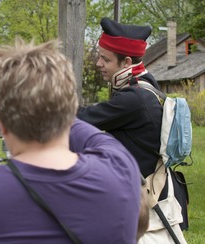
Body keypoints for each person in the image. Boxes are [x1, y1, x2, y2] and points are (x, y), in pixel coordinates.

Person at [0, 38, 142, 244]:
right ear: (69, 109)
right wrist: (57, 106)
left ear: (0, 123)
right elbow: (93, 137)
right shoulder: (121, 167)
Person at [77, 17, 187, 240]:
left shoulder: (135, 99)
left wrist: (45, 100)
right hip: (147, 197)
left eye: (105, 59)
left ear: (126, 62)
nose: (98, 63)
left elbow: (81, 118)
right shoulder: (148, 88)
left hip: (142, 204)